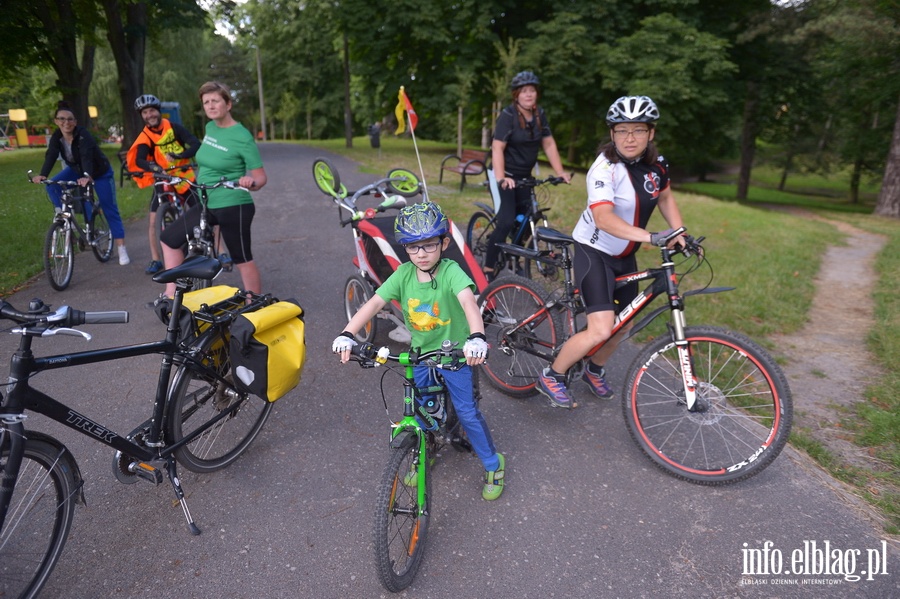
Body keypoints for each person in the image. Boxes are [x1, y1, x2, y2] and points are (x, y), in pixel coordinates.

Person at [332, 202, 506, 501]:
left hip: (456, 356)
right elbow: (374, 303)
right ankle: (426, 450)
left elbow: (468, 303)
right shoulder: (403, 275)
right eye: (413, 248)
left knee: (467, 412)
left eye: (428, 246)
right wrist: (348, 333)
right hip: (421, 356)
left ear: (444, 243)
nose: (421, 254)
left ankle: (493, 463)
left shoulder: (451, 271)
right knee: (422, 406)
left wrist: (477, 337)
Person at [537, 95, 686, 408]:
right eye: (621, 131)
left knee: (626, 322)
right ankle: (552, 374)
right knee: (601, 328)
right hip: (595, 250)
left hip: (624, 252)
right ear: (612, 134)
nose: (629, 138)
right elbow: (604, 219)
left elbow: (665, 198)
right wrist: (651, 236)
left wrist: (678, 231)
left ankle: (593, 368)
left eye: (638, 130)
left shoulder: (657, 166)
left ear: (651, 133)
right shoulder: (604, 168)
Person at [159, 81, 267, 299]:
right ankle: (171, 297)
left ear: (228, 104)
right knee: (169, 238)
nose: (210, 105)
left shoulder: (242, 136)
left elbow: (261, 177)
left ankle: (254, 303)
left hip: (234, 203)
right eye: (206, 102)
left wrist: (249, 181)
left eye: (215, 100)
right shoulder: (209, 128)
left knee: (241, 258)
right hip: (207, 201)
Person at [485, 70, 571, 279]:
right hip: (504, 174)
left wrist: (560, 173)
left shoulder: (539, 115)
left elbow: (549, 143)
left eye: (532, 90)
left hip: (525, 177)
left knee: (525, 220)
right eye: (524, 91)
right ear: (517, 95)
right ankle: (488, 265)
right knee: (506, 221)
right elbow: (497, 148)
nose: (529, 94)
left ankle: (515, 252)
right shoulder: (508, 115)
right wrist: (501, 178)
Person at [32, 101, 130, 265]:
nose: (66, 122)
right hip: (77, 171)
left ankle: (121, 248)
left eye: (70, 119)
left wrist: (87, 175)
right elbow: (51, 155)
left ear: (75, 122)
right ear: (56, 121)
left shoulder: (83, 135)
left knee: (109, 207)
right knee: (53, 185)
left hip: (99, 172)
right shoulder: (57, 137)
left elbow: (86, 156)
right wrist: (43, 174)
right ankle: (61, 215)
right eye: (62, 119)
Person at [128, 94, 201, 275]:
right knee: (153, 222)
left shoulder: (174, 128)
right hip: (163, 178)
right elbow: (139, 159)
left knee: (203, 214)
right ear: (142, 116)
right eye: (145, 112)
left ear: (158, 111)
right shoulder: (145, 136)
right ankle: (156, 259)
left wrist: (180, 156)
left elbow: (195, 144)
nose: (149, 115)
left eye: (152, 110)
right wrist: (152, 166)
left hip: (184, 177)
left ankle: (221, 252)